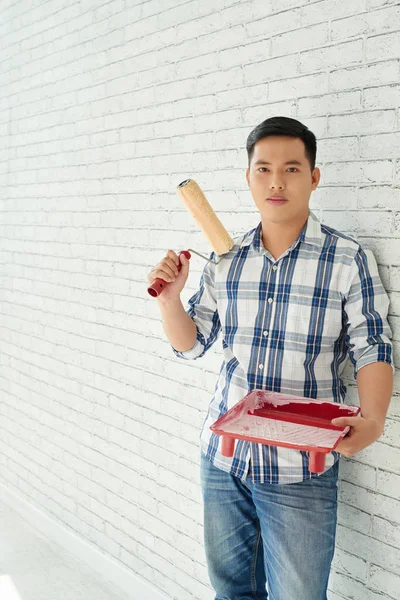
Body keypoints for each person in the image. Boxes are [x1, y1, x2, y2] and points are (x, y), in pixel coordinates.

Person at [147, 116, 394, 600]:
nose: (276, 180)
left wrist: (375, 419)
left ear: (314, 177)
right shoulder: (227, 258)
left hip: (299, 468)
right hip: (222, 458)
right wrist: (169, 300)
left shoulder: (348, 259)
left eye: (291, 168)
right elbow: (191, 344)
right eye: (263, 169)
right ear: (248, 178)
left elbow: (373, 345)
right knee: (232, 591)